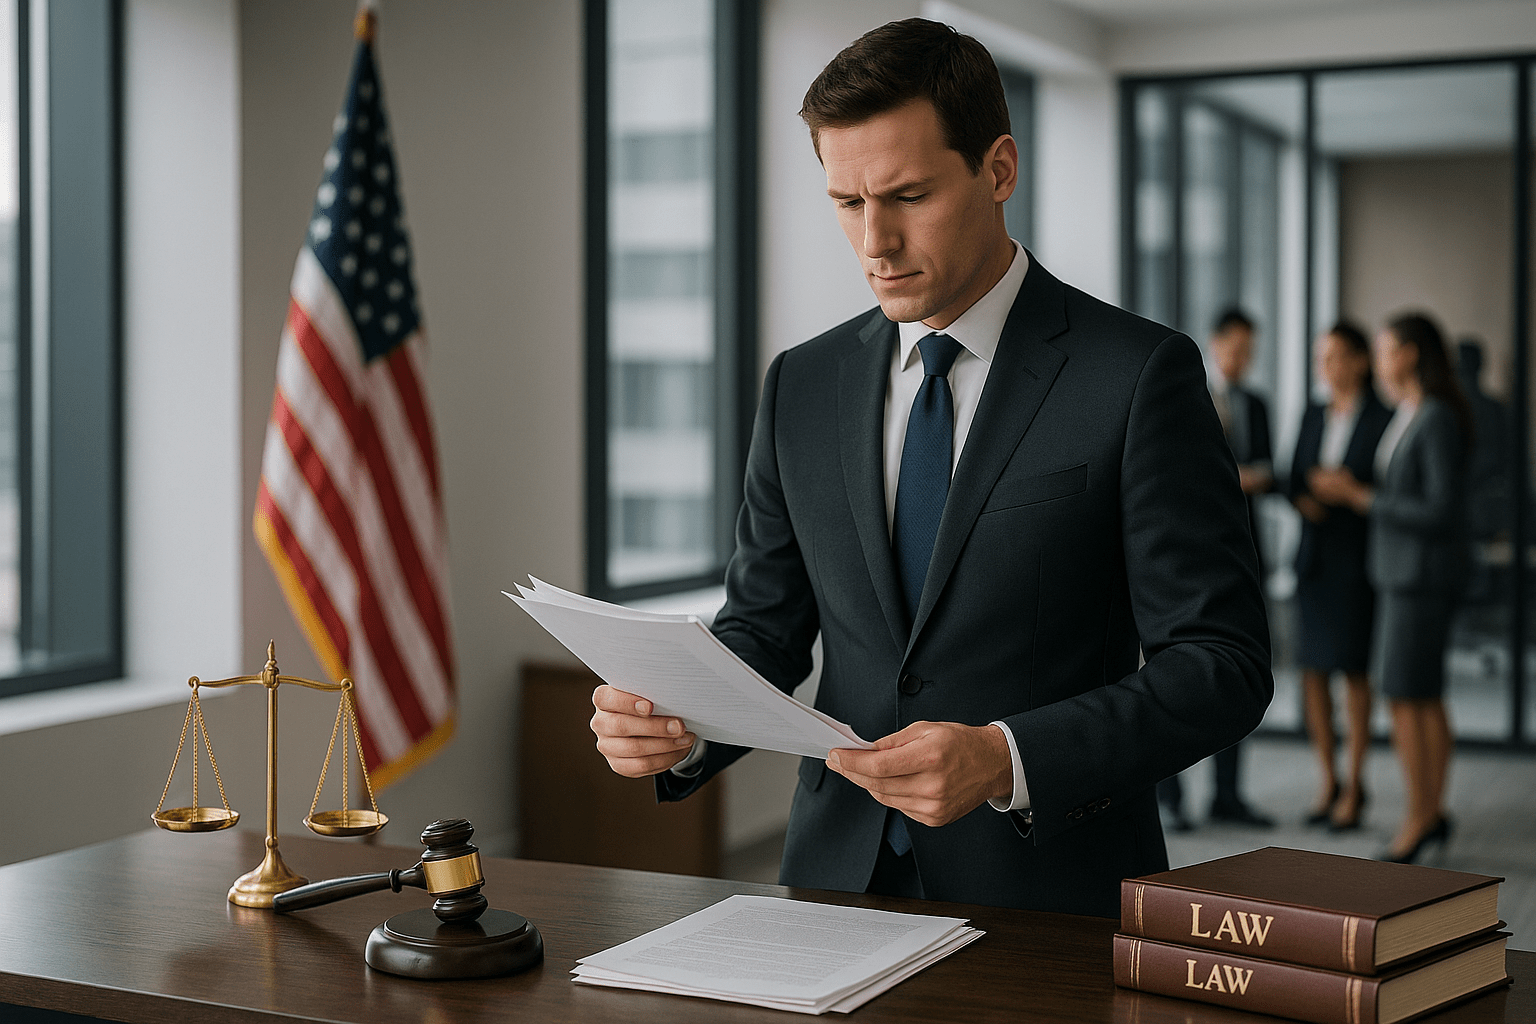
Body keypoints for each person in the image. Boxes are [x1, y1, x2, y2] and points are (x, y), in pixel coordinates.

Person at [588, 18, 1272, 917]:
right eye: (846, 202)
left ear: (998, 170)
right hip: (832, 881)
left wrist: (1007, 756)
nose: (874, 241)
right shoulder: (802, 382)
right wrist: (675, 723)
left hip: (1048, 894)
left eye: (907, 195)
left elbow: (1221, 663)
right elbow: (765, 628)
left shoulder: (1138, 375)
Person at [1310, 312, 1469, 864]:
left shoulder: (1435, 418)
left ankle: (1419, 817)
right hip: (1400, 576)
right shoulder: (1410, 413)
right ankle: (1430, 811)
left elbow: (1441, 508)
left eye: (1384, 349)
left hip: (1419, 579)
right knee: (1416, 698)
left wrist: (1363, 498)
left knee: (1408, 698)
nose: (1378, 360)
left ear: (1409, 353)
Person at [1156, 308, 1277, 832]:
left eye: (1250, 349)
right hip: (1185, 554)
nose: (1242, 358)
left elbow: (1270, 468)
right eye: (1236, 347)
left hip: (1245, 550)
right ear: (1217, 343)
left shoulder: (1256, 403)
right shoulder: (1183, 389)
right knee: (1170, 674)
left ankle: (1227, 793)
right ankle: (1171, 795)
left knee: (1236, 673)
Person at [1289, 322, 1392, 831]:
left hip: (1356, 562)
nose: (1324, 367)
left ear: (1358, 360)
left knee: (1353, 673)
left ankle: (1355, 784)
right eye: (1319, 357)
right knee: (1313, 674)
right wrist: (1308, 495)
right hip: (1314, 558)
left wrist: (1348, 489)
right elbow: (1293, 475)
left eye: (1332, 357)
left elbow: (1386, 488)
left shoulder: (1382, 417)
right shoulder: (1313, 411)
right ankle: (1326, 779)